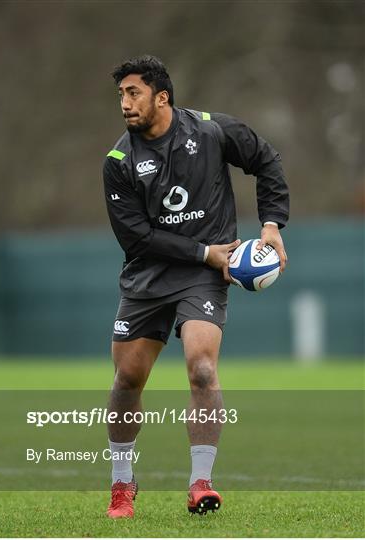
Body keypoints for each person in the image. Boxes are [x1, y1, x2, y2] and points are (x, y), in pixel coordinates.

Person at [103, 55, 289, 519]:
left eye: (134, 93)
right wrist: (207, 252)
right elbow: (136, 237)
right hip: (149, 274)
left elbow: (265, 159)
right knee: (128, 379)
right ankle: (122, 485)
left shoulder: (210, 132)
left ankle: (200, 483)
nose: (125, 103)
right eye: (121, 95)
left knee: (203, 369)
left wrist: (271, 225)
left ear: (161, 96)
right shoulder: (119, 161)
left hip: (203, 276)